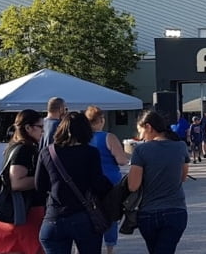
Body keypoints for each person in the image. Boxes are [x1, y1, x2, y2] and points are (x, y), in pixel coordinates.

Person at [35, 111, 113, 254]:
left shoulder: (47, 152)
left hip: (54, 217)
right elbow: (97, 183)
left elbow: (40, 186)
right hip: (83, 216)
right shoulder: (90, 153)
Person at [128, 110, 190, 254]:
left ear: (148, 127)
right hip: (176, 210)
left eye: (140, 131)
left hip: (148, 212)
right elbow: (183, 177)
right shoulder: (180, 146)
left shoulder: (141, 150)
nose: (140, 137)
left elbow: (133, 186)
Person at [0, 109, 47, 254]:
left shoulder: (16, 146)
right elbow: (16, 182)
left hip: (17, 212)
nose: (43, 132)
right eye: (40, 127)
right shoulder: (24, 149)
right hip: (24, 213)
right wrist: (44, 179)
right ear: (28, 128)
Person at [85, 106, 130, 254]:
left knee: (91, 215)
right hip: (110, 181)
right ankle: (110, 249)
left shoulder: (83, 138)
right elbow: (122, 160)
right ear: (101, 120)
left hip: (89, 182)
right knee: (111, 215)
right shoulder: (108, 137)